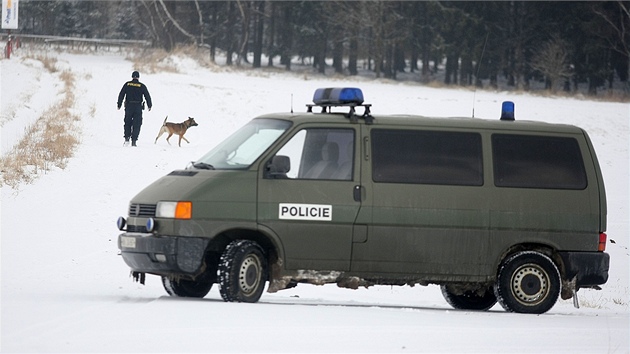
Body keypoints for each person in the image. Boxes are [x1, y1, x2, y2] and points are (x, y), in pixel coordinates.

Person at [117, 71, 152, 147]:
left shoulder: (127, 84)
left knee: (127, 122)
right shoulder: (142, 86)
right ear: (138, 77)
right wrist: (149, 105)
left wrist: (119, 104)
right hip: (138, 107)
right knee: (137, 124)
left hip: (129, 106)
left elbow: (121, 94)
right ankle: (134, 141)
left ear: (132, 76)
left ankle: (127, 138)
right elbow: (147, 95)